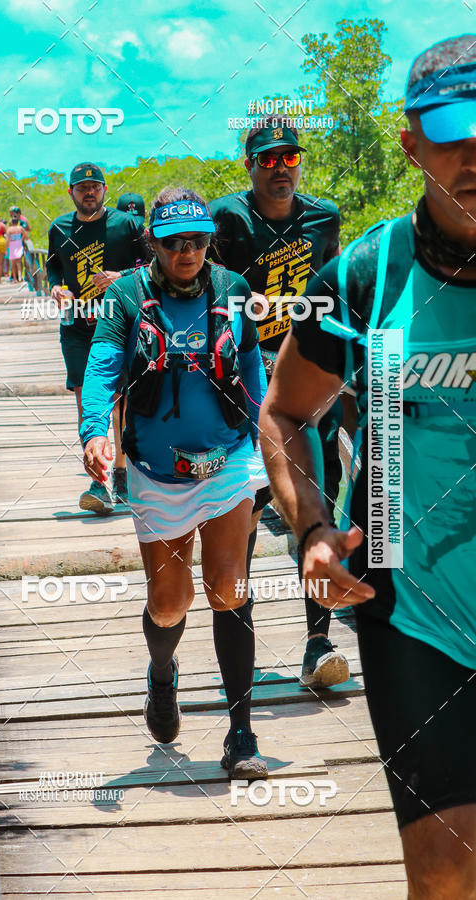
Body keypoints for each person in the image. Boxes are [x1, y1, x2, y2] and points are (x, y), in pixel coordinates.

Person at [258, 35, 476, 897]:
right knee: (446, 877)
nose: (474, 157)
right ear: (410, 142)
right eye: (454, 133)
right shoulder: (363, 276)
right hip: (416, 620)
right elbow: (282, 412)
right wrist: (311, 528)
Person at [80, 187, 270, 778]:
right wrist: (93, 432)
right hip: (156, 472)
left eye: (197, 241)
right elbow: (102, 369)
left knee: (228, 588)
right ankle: (162, 675)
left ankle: (241, 735)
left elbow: (250, 371)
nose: (186, 252)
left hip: (227, 460)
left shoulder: (235, 292)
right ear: (153, 243)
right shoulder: (123, 299)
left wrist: (271, 437)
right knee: (169, 604)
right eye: (173, 242)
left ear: (209, 242)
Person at [210, 119, 347, 689]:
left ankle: (319, 643)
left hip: (310, 375)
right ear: (249, 164)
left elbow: (337, 297)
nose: (281, 167)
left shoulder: (324, 218)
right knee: (246, 508)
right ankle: (239, 654)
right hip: (246, 374)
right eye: (268, 159)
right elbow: (206, 292)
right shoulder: (227, 219)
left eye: (290, 157)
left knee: (316, 505)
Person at [47, 162, 150, 514]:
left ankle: (121, 474)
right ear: (71, 192)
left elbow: (153, 265)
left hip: (119, 324)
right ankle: (99, 481)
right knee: (86, 403)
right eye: (81, 187)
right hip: (77, 327)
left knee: (120, 403)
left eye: (95, 186)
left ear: (105, 189)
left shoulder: (129, 225)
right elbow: (53, 266)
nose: (89, 191)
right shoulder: (59, 228)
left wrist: (121, 276)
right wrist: (57, 289)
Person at [6, 207, 27, 282]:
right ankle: (20, 277)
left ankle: (14, 278)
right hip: (18, 244)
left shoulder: (9, 229)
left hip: (12, 245)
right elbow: (26, 235)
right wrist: (21, 239)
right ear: (17, 222)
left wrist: (6, 247)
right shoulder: (20, 228)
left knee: (13, 263)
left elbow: (7, 239)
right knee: (19, 262)